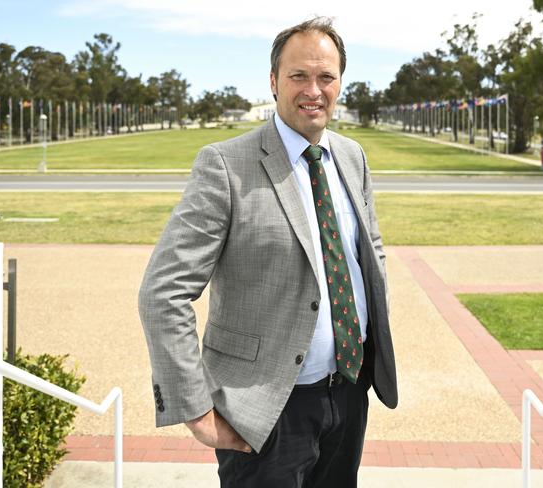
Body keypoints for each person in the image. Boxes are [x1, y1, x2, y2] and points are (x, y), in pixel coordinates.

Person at [138, 16, 397, 487]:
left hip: (349, 392)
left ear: (340, 82)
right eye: (299, 76)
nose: (313, 90)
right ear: (274, 80)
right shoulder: (225, 165)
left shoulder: (351, 156)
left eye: (326, 77)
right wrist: (194, 407)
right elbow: (163, 292)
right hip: (266, 407)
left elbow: (368, 251)